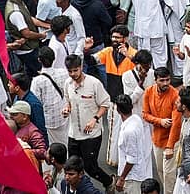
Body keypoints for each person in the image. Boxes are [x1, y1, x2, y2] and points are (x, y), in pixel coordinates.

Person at [62, 53, 114, 192]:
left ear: (81, 67)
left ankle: (109, 182)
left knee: (90, 167)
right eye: (70, 71)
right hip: (74, 133)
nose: (73, 74)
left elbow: (105, 103)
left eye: (75, 70)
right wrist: (67, 109)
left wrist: (94, 119)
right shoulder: (67, 83)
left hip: (91, 135)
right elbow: (68, 101)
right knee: (72, 167)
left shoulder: (94, 83)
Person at [141, 67, 180, 193]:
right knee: (160, 170)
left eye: (168, 80)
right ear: (155, 80)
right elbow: (145, 115)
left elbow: (176, 124)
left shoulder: (175, 94)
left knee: (169, 174)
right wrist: (160, 121)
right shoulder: (148, 92)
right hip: (157, 140)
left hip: (172, 141)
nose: (165, 83)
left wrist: (170, 146)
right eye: (162, 80)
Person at [114, 93, 152, 194]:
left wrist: (121, 178)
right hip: (137, 173)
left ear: (118, 110)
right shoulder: (136, 119)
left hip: (132, 178)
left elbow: (131, 159)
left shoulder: (129, 131)